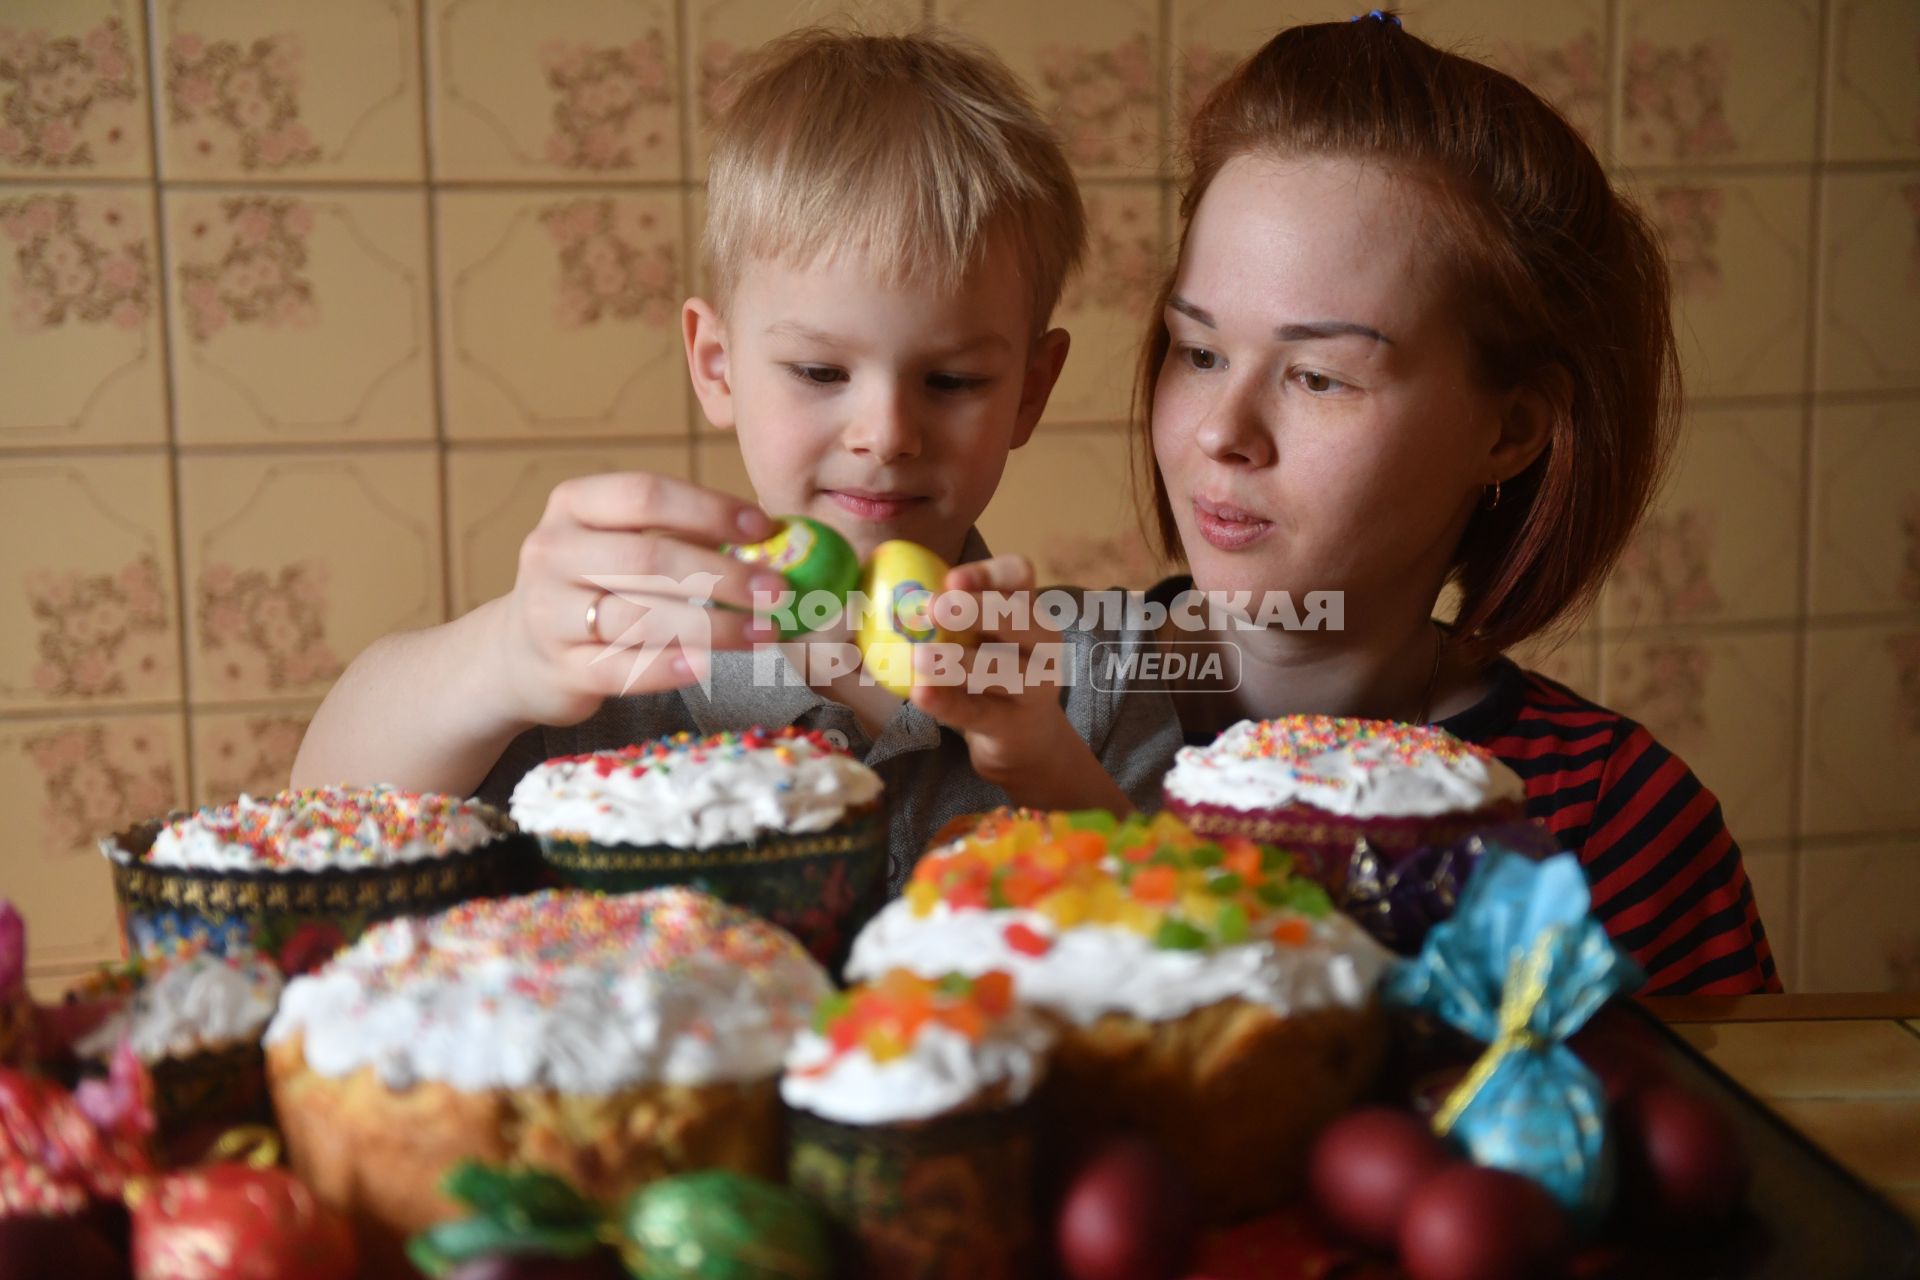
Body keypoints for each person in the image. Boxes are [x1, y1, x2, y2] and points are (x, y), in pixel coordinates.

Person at [290, 28, 1180, 881]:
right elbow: (316, 816)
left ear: (1030, 389)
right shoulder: (627, 659)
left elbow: (1196, 941)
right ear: (716, 367)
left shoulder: (1095, 669)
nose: (886, 433)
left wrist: (1049, 769)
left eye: (950, 381)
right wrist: (503, 652)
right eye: (819, 370)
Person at [1133, 13, 1778, 994]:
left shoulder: (1614, 825)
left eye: (1317, 375)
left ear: (1510, 430)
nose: (1224, 431)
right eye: (1201, 351)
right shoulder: (1019, 713)